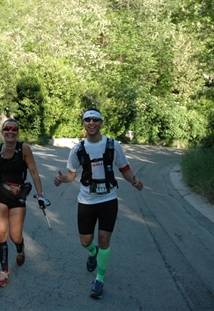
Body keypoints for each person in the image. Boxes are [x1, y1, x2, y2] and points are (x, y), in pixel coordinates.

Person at [53, 108, 143, 299]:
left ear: (101, 122)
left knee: (104, 239)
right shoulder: (77, 149)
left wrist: (134, 181)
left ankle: (99, 280)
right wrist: (63, 180)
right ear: (84, 124)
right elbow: (71, 174)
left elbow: (124, 168)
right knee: (85, 241)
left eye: (95, 120)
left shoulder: (113, 145)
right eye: (87, 120)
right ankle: (92, 252)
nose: (91, 123)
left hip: (108, 199)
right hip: (86, 200)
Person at [0, 118, 48, 287]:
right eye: (7, 129)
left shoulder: (24, 149)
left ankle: (20, 249)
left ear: (17, 132)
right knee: (1, 233)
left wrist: (40, 195)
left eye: (14, 129)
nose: (10, 132)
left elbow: (34, 173)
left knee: (15, 236)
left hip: (18, 195)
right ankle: (4, 272)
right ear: (2, 131)